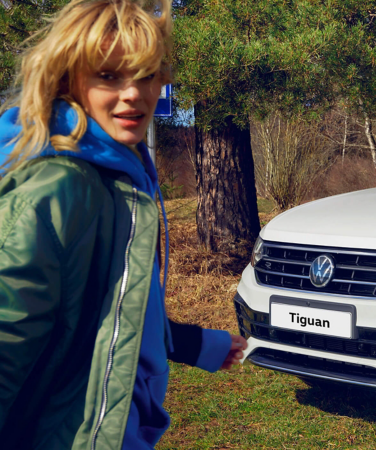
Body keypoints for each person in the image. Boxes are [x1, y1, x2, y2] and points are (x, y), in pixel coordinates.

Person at [0, 0, 247, 448]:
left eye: (147, 75)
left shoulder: (121, 173)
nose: (134, 93)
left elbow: (112, 310)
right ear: (69, 79)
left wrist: (194, 345)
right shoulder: (58, 188)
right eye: (110, 76)